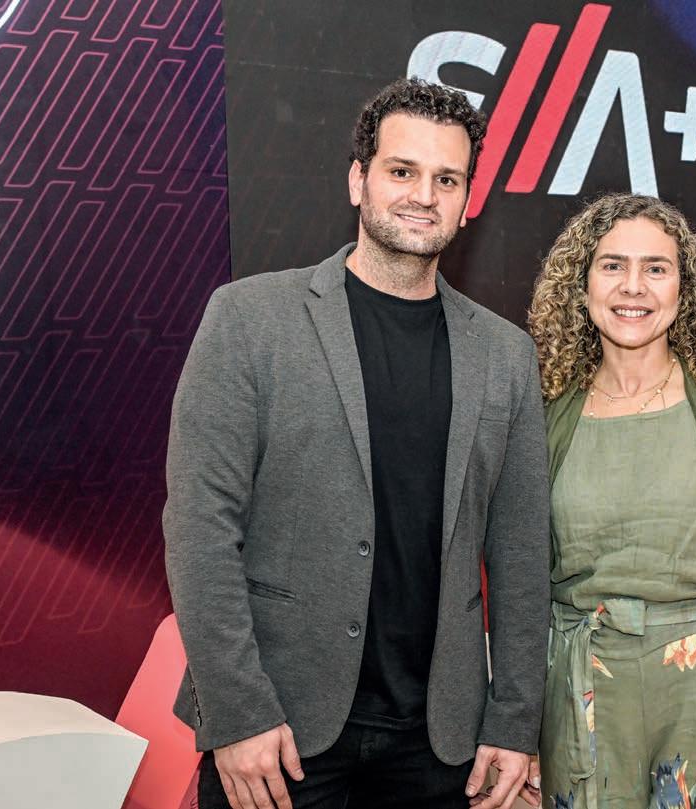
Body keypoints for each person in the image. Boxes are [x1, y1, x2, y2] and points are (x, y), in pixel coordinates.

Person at [164, 78, 550, 809]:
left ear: (468, 200)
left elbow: (523, 553)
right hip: (279, 734)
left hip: (442, 744)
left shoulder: (506, 355)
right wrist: (238, 712)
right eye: (402, 171)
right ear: (358, 180)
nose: (423, 196)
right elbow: (199, 529)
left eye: (447, 179)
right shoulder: (249, 319)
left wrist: (515, 718)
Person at [522, 194, 696, 809]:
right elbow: (516, 576)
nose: (634, 287)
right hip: (582, 693)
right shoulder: (543, 415)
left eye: (656, 268)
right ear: (582, 285)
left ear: (685, 289)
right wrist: (517, 729)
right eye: (612, 266)